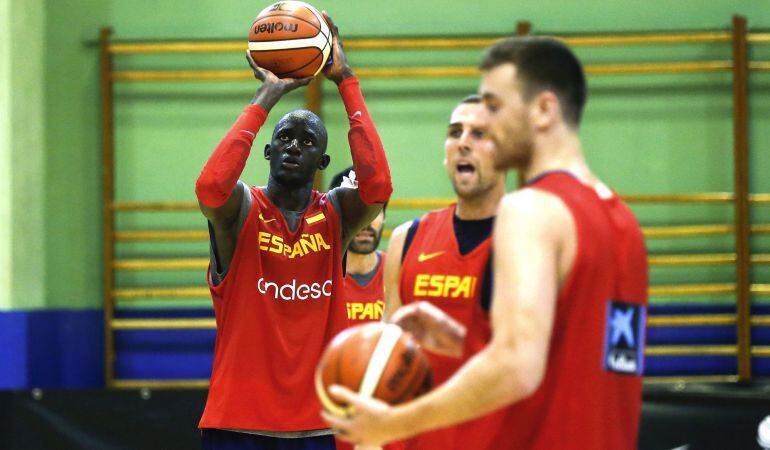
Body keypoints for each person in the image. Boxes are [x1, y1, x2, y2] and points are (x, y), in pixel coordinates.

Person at [323, 36, 649, 450]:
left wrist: (392, 423)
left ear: (544, 110)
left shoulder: (530, 210)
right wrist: (466, 341)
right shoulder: (620, 219)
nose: (487, 127)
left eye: (494, 108)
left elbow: (516, 368)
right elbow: (572, 364)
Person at [194, 13, 392, 450]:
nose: (293, 147)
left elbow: (378, 187)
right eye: (284, 138)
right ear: (267, 149)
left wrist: (346, 79)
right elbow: (210, 187)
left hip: (316, 425)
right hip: (237, 421)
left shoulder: (337, 213)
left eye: (307, 143)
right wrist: (265, 96)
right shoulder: (242, 210)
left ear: (323, 164)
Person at [381, 94, 506, 450]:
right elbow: (387, 354)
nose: (464, 142)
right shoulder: (407, 239)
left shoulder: (532, 239)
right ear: (446, 152)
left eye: (479, 133)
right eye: (455, 132)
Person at [328, 167, 387, 325]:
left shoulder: (400, 271)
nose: (365, 221)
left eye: (374, 212)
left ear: (384, 217)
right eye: (357, 211)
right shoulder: (315, 279)